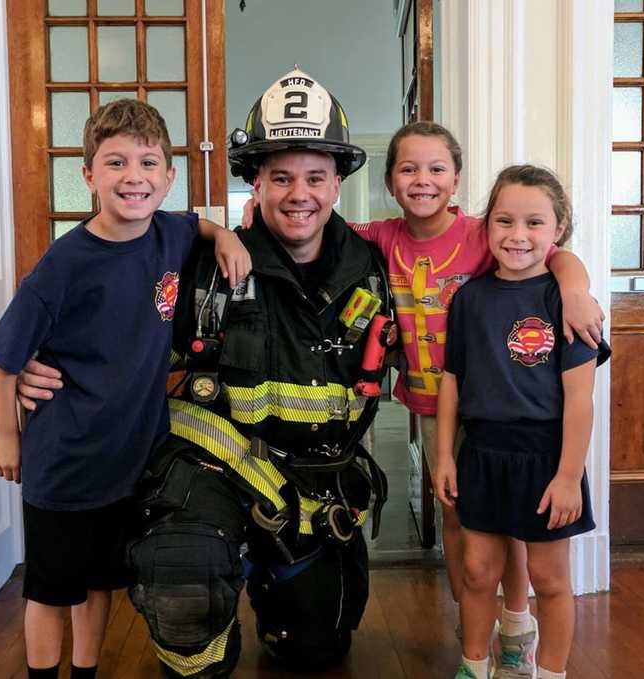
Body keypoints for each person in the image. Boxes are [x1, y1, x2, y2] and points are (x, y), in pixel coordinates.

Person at [19, 69, 394, 678]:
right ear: (255, 181)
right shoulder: (201, 266)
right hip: (209, 473)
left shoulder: (379, 267)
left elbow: (492, 256)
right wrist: (37, 365)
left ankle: (280, 589)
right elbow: (104, 321)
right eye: (280, 178)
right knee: (181, 579)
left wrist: (566, 271)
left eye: (315, 178)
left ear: (337, 184)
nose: (298, 194)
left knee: (315, 649)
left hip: (314, 484)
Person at [243, 120, 605, 671]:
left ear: (456, 178)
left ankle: (514, 622)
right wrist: (248, 222)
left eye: (437, 168)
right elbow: (318, 223)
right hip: (435, 401)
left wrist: (575, 287)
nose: (423, 180)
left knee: (511, 523)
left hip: (499, 410)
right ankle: (474, 622)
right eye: (408, 169)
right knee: (462, 520)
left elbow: (549, 249)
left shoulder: (486, 232)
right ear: (389, 181)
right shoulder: (380, 237)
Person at [0, 98, 250, 679]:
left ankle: (86, 672)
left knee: (100, 583)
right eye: (115, 163)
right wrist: (6, 434)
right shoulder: (64, 264)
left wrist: (224, 236)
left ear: (168, 177)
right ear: (88, 176)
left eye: (149, 163)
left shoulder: (168, 234)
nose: (134, 177)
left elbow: (196, 225)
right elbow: (4, 355)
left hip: (127, 462)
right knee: (53, 591)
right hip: (66, 464)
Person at [432, 164, 610, 679]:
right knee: (477, 571)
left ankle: (549, 672)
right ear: (487, 227)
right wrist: (445, 454)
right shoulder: (469, 299)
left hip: (546, 456)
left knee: (550, 579)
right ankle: (474, 666)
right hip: (482, 452)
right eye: (504, 221)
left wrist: (567, 476)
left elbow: (580, 401)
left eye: (534, 223)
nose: (517, 235)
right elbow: (452, 381)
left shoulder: (569, 303)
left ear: (558, 230)